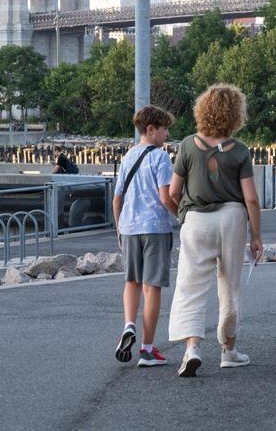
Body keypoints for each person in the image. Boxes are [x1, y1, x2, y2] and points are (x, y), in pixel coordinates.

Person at [168, 84, 264, 378]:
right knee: (229, 285)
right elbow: (250, 198)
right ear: (236, 114)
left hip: (196, 219)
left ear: (202, 110)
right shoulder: (240, 151)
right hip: (232, 218)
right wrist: (256, 236)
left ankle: (192, 349)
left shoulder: (187, 145)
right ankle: (228, 351)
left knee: (190, 285)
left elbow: (173, 192)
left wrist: (183, 214)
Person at [112, 106, 179, 368]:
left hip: (129, 228)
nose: (167, 133)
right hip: (155, 229)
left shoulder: (128, 157)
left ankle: (129, 325)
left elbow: (117, 199)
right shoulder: (160, 158)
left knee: (132, 282)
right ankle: (148, 349)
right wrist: (180, 216)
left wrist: (119, 230)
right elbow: (166, 197)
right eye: (164, 129)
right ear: (151, 129)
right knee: (152, 288)